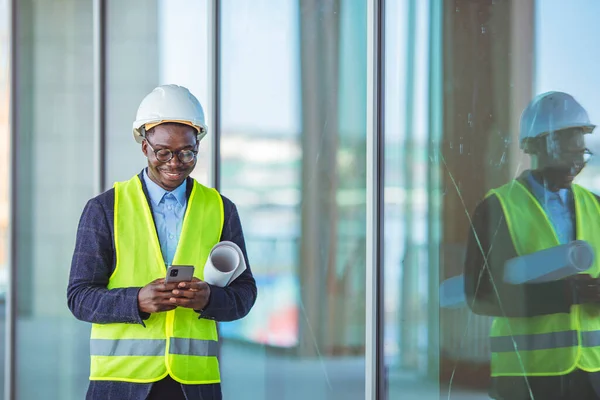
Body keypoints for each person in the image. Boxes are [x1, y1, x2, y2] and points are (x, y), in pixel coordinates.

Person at [67, 84, 257, 400]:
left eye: (187, 152)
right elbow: (79, 297)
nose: (175, 162)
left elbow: (245, 294)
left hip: (194, 387)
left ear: (198, 146)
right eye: (163, 152)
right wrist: (137, 301)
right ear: (145, 147)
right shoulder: (104, 209)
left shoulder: (221, 209)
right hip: (119, 385)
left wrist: (208, 298)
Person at [464, 91, 600, 400]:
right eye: (565, 151)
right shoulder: (498, 208)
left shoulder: (596, 207)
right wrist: (567, 294)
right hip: (525, 377)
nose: (575, 162)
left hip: (592, 377)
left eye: (581, 153)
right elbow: (480, 295)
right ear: (532, 146)